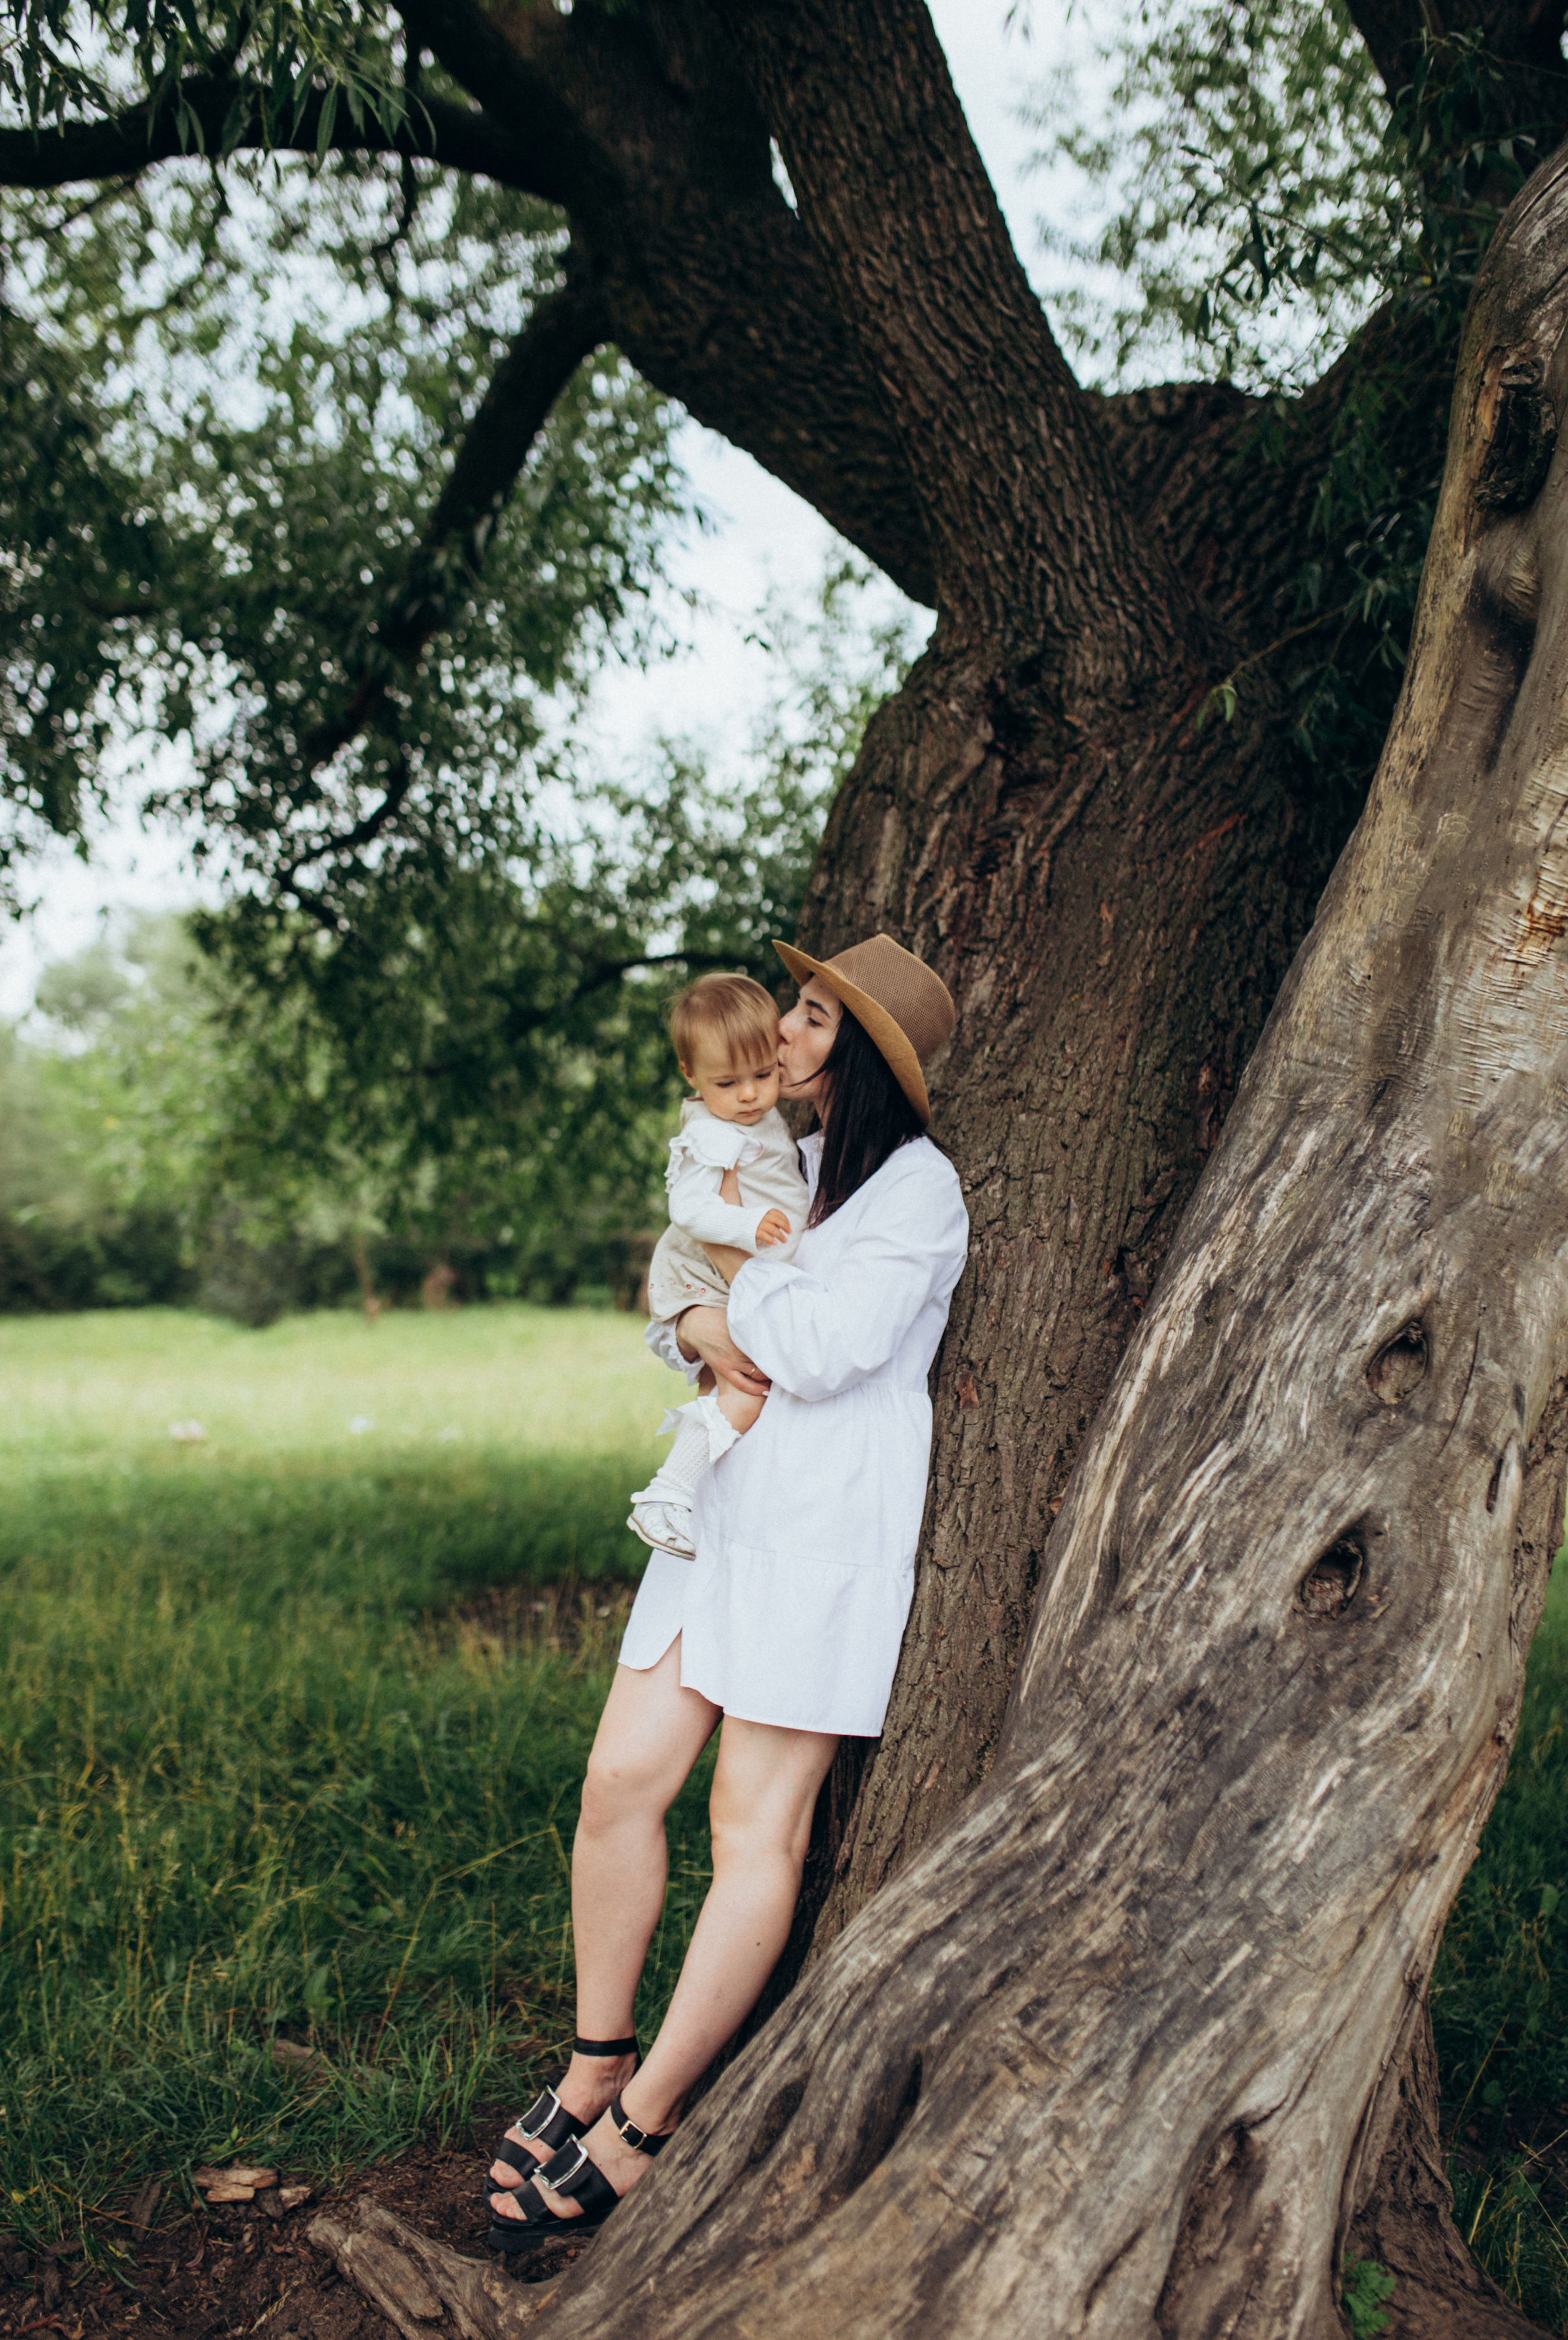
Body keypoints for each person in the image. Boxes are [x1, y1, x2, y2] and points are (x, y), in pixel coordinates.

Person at [485, 933, 968, 2252]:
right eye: (794, 1009)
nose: (783, 1036)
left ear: (859, 1052)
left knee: (751, 1827)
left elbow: (819, 1350)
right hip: (717, 1517)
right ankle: (594, 2056)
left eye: (811, 1019)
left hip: (818, 1535)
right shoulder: (781, 1162)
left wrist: (724, 1295)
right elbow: (668, 1287)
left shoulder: (915, 1195)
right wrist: (697, 1320)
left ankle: (642, 2122)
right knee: (617, 1785)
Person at [627, 972, 811, 1559]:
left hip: (730, 1277)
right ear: (691, 1076)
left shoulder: (747, 1119)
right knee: (747, 1389)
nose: (751, 1095)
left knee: (724, 1389)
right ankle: (667, 1496)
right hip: (705, 1274)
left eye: (764, 1075)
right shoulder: (713, 1134)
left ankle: (699, 1511)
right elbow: (687, 1207)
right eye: (727, 1083)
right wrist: (746, 1226)